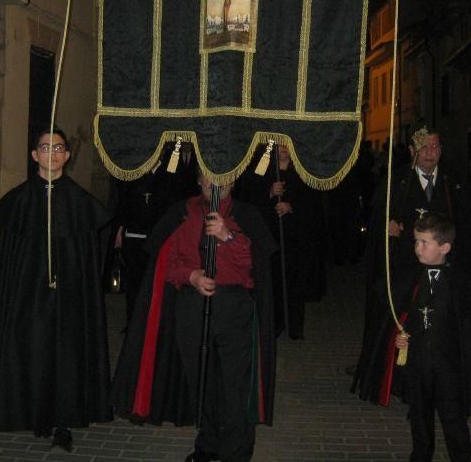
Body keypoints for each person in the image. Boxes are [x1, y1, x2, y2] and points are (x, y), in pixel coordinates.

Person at [0, 128, 112, 452]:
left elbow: (86, 259)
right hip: (24, 295)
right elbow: (7, 262)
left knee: (65, 355)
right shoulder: (20, 200)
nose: (52, 153)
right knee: (25, 348)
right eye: (45, 147)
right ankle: (22, 411)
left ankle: (63, 421)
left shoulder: (80, 202)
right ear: (34, 156)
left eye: (59, 148)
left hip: (68, 296)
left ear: (67, 156)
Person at [111, 172, 277, 462]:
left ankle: (236, 452)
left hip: (234, 307)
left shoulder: (246, 214)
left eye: (223, 177)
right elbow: (167, 260)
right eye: (208, 177)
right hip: (190, 304)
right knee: (201, 379)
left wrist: (227, 235)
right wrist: (191, 275)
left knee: (235, 383)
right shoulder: (182, 213)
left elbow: (256, 262)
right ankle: (208, 443)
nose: (215, 183)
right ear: (199, 181)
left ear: (233, 182)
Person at [352, 124, 471, 404]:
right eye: (424, 147)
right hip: (406, 270)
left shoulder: (454, 182)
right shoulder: (396, 182)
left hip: (445, 272)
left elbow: (467, 230)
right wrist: (385, 227)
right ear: (413, 151)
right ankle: (396, 380)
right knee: (400, 322)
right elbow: (375, 220)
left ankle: (450, 380)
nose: (430, 152)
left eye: (435, 147)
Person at [392, 213, 471, 462]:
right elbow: (406, 315)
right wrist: (403, 337)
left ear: (444, 247)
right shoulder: (413, 279)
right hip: (419, 364)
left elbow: (469, 331)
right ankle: (420, 455)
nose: (418, 248)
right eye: (416, 241)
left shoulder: (459, 282)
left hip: (449, 367)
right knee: (419, 416)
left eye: (424, 242)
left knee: (453, 419)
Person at [240, 144, 323, 339]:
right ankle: (275, 324)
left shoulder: (303, 173)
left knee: (295, 281)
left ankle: (294, 326)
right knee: (274, 281)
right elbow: (250, 200)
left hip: (296, 238)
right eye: (281, 145)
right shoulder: (263, 170)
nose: (285, 149)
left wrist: (291, 206)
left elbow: (313, 204)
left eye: (288, 145)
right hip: (272, 235)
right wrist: (269, 192)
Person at [112, 153, 174, 329]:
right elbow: (125, 202)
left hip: (156, 237)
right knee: (133, 282)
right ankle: (132, 321)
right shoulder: (136, 172)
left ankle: (152, 322)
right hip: (133, 237)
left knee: (154, 281)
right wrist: (120, 229)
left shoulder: (169, 172)